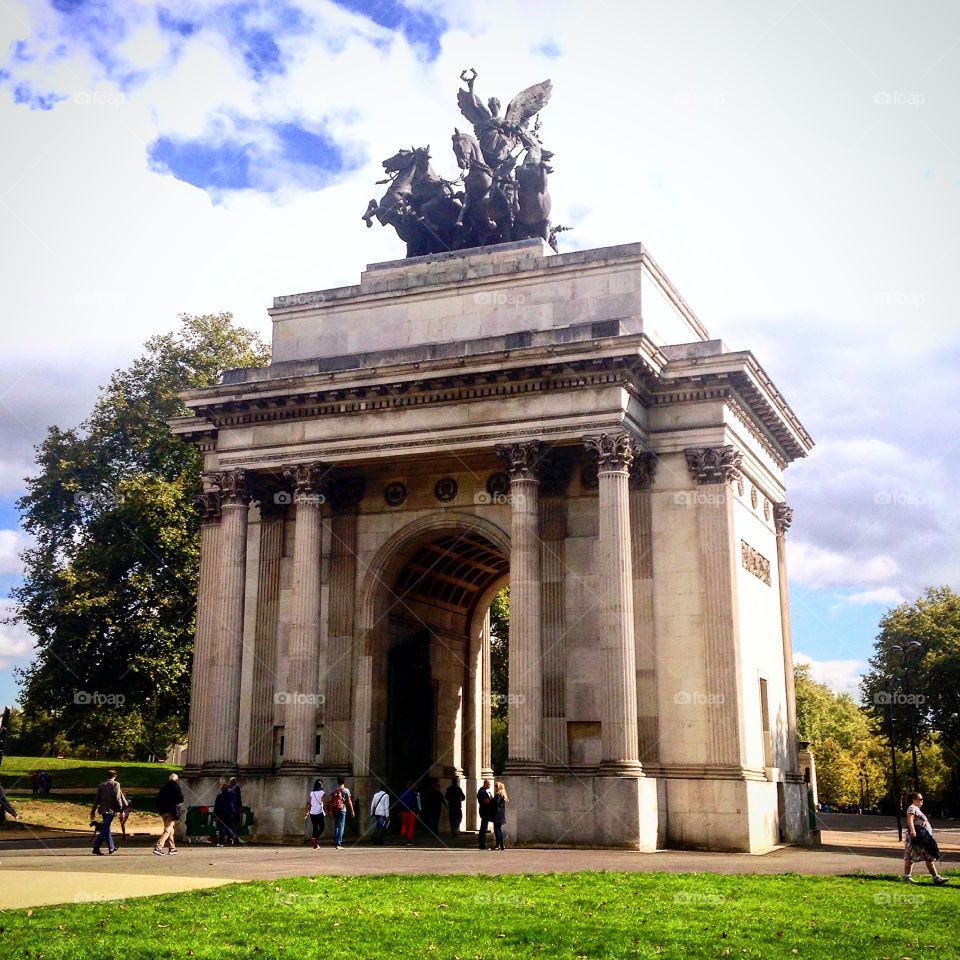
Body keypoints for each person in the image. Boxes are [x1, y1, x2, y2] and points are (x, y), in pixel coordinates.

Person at [903, 791, 949, 885]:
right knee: (912, 856)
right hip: (916, 837)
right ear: (914, 800)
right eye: (920, 799)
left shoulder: (917, 809)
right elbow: (910, 819)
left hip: (922, 837)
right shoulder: (912, 807)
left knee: (928, 856)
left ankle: (935, 877)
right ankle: (907, 877)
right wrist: (913, 831)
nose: (922, 801)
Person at [90, 769, 128, 855]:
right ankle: (96, 847)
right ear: (115, 776)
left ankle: (111, 847)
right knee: (105, 829)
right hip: (111, 810)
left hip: (103, 810)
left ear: (106, 776)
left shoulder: (101, 785)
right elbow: (118, 798)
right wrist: (121, 810)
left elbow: (96, 799)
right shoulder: (116, 784)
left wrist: (93, 811)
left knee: (107, 828)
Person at [154, 773, 184, 856]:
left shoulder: (164, 788)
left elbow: (157, 801)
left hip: (163, 811)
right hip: (171, 810)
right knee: (168, 829)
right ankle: (159, 847)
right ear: (176, 780)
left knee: (171, 830)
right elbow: (181, 799)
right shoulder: (176, 787)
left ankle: (172, 848)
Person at [329, 776, 355, 850]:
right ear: (344, 781)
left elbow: (331, 802)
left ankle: (336, 841)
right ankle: (338, 843)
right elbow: (349, 802)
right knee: (341, 826)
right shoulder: (346, 790)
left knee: (336, 825)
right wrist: (352, 810)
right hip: (342, 809)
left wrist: (330, 810)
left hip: (335, 809)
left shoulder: (335, 790)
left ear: (337, 781)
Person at [396, 781, 420, 846]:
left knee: (403, 825)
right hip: (411, 812)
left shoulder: (402, 792)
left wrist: (399, 811)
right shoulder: (413, 794)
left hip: (403, 811)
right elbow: (415, 803)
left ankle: (402, 838)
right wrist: (417, 812)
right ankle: (409, 840)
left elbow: (399, 802)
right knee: (410, 826)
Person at [304, 778, 326, 849]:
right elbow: (324, 803)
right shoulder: (322, 793)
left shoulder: (312, 793)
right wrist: (327, 811)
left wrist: (307, 812)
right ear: (321, 785)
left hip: (312, 813)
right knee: (322, 827)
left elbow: (309, 803)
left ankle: (315, 845)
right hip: (319, 812)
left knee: (315, 827)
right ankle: (314, 838)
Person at [477, 778, 494, 851]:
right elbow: (487, 802)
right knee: (483, 828)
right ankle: (482, 844)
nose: (490, 785)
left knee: (484, 827)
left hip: (484, 811)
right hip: (484, 811)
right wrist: (492, 800)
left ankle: (482, 844)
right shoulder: (482, 792)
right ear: (485, 784)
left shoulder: (484, 791)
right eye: (489, 784)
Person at [492, 780, 509, 851]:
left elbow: (496, 803)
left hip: (497, 815)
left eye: (496, 787)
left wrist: (491, 800)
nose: (495, 788)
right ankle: (501, 845)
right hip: (501, 815)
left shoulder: (498, 795)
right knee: (499, 830)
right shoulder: (503, 795)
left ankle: (498, 845)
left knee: (497, 830)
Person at [229, 777, 243, 845]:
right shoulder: (236, 788)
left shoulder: (228, 789)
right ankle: (236, 838)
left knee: (230, 823)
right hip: (235, 808)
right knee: (237, 823)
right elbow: (238, 798)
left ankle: (230, 838)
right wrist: (240, 807)